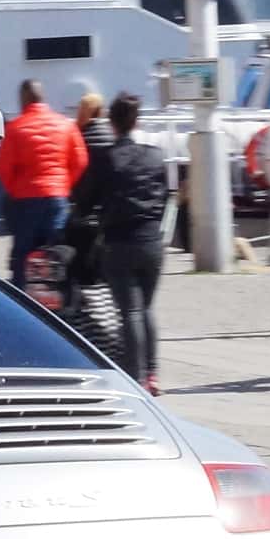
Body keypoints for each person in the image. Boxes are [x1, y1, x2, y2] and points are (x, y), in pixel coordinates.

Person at [67, 93, 172, 392]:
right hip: (152, 241)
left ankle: (136, 378)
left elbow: (84, 200)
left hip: (119, 242)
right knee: (147, 308)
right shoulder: (155, 155)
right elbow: (165, 196)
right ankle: (152, 373)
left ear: (112, 123)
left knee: (130, 312)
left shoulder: (106, 159)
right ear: (136, 121)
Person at [0, 79, 87, 286]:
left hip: (25, 200)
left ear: (23, 99)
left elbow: (3, 167)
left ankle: (22, 301)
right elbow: (80, 161)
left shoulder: (15, 128)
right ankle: (58, 298)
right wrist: (64, 184)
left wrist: (15, 189)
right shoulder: (66, 125)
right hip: (57, 198)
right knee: (54, 252)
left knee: (23, 253)